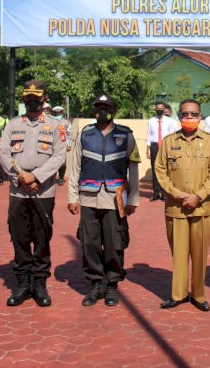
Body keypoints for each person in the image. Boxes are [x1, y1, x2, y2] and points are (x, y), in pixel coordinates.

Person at [68, 94, 140, 307]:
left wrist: (134, 198)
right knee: (89, 243)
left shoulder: (125, 135)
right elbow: (75, 167)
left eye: (106, 107)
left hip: (114, 198)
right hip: (89, 196)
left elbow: (133, 168)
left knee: (114, 243)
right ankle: (96, 284)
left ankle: (112, 285)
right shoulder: (85, 134)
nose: (102, 111)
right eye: (99, 107)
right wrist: (73, 197)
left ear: (114, 111)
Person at [0, 81, 66, 307]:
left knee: (41, 239)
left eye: (37, 97)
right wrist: (20, 177)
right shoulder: (12, 124)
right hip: (18, 193)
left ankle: (39, 285)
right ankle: (22, 285)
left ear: (44, 99)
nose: (32, 101)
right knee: (19, 238)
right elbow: (4, 153)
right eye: (28, 97)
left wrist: (36, 176)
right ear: (23, 99)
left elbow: (59, 156)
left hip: (43, 192)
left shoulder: (57, 126)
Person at [155, 99, 210, 311]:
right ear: (179, 117)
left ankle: (199, 295)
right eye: (185, 114)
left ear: (200, 117)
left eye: (193, 114)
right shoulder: (168, 141)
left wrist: (198, 196)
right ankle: (179, 294)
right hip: (176, 207)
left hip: (202, 208)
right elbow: (160, 171)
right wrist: (177, 194)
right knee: (179, 254)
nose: (189, 118)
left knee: (200, 254)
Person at [146, 101, 177, 201]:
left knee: (166, 169)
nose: (159, 110)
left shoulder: (171, 121)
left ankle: (164, 193)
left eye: (161, 108)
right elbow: (149, 136)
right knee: (155, 169)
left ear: (164, 110)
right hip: (154, 146)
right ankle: (156, 193)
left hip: (166, 146)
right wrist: (148, 149)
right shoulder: (151, 121)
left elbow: (173, 136)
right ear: (155, 109)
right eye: (157, 108)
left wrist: (173, 149)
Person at [51, 105, 72, 186]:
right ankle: (51, 177)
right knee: (51, 161)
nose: (58, 114)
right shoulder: (50, 121)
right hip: (52, 145)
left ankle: (61, 178)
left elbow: (70, 133)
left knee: (62, 162)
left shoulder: (66, 122)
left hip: (62, 145)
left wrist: (69, 144)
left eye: (59, 113)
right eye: (56, 113)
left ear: (62, 113)